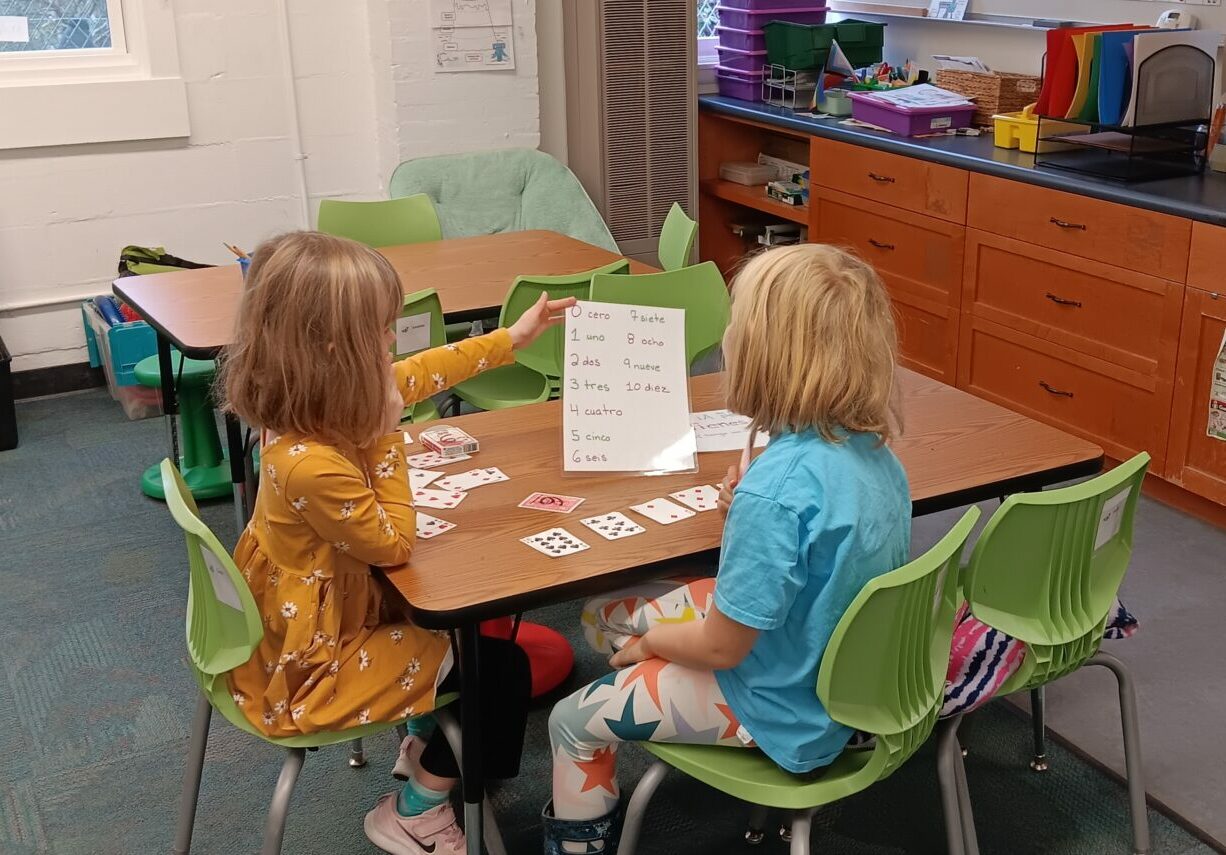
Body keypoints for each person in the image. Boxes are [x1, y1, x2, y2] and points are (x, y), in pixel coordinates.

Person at [542, 244, 911, 854]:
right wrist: (747, 510)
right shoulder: (873, 451)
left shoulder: (777, 490)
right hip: (839, 680)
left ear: (769, 356)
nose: (728, 336)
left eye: (738, 325)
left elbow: (721, 645)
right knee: (604, 620)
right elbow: (805, 556)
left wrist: (654, 645)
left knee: (570, 721)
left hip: (777, 706)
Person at [219, 231, 574, 855]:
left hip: (322, 616)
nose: (392, 342)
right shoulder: (308, 462)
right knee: (501, 672)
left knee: (458, 630)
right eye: (381, 331)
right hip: (313, 666)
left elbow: (417, 372)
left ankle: (421, 740)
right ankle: (417, 807)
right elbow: (393, 544)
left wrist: (510, 340)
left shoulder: (304, 403)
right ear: (333, 348)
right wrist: (389, 433)